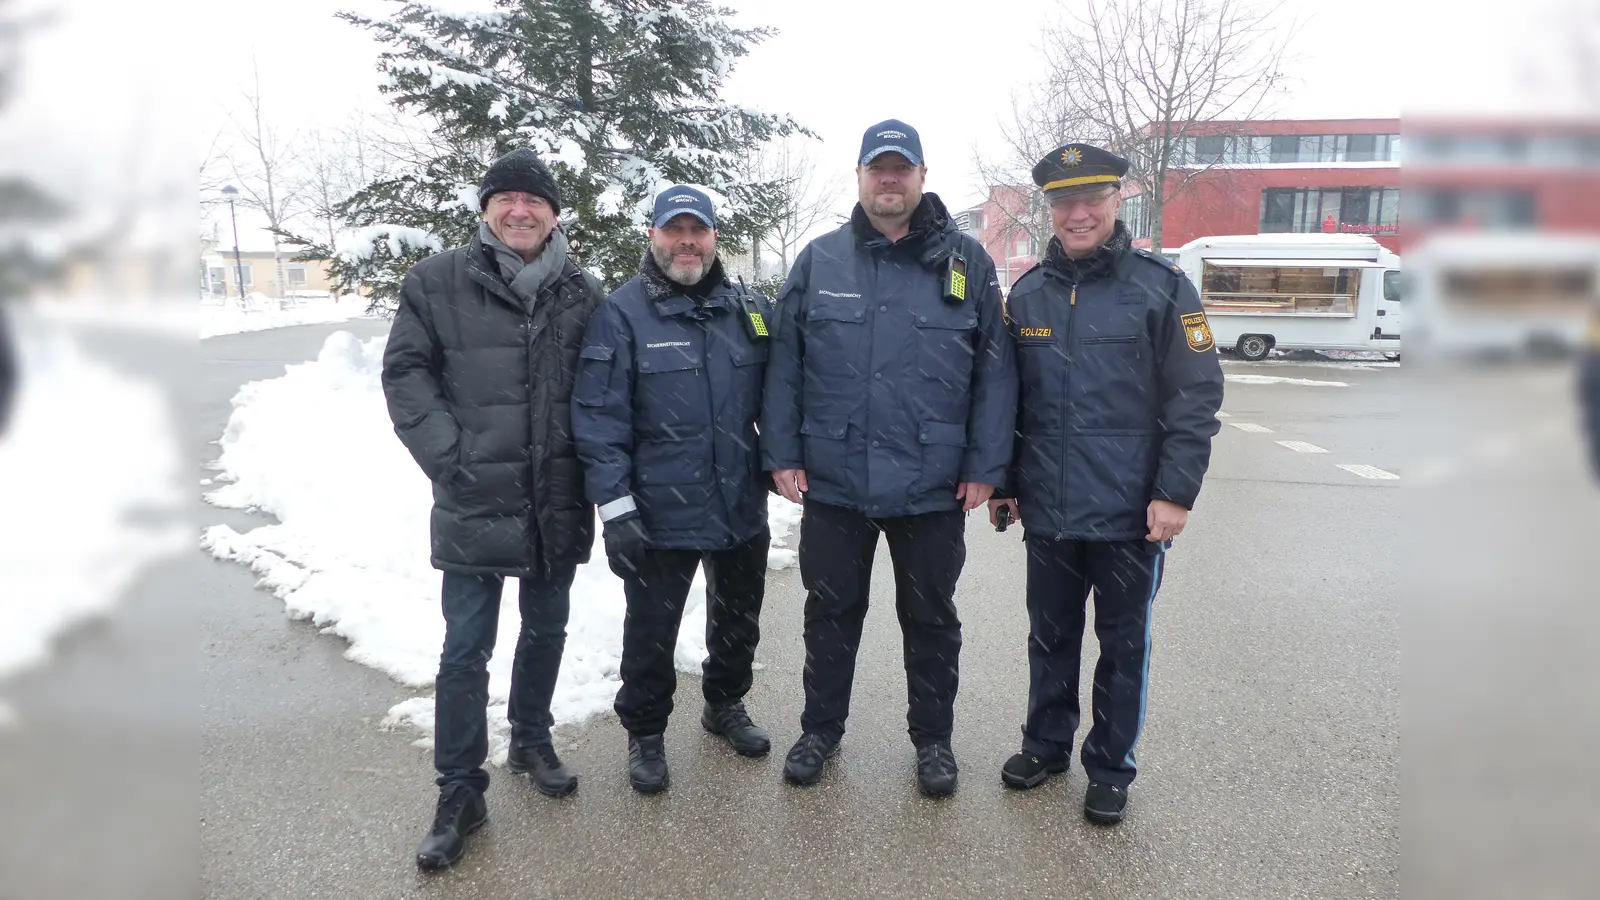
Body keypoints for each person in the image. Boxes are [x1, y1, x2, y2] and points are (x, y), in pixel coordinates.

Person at [761, 119, 1017, 797]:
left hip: (933, 485)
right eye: (879, 168)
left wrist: (986, 465)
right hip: (837, 479)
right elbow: (785, 363)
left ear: (923, 178)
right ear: (860, 177)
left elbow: (995, 374)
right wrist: (781, 452)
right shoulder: (820, 259)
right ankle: (820, 729)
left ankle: (932, 741)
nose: (890, 179)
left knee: (932, 617)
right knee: (830, 612)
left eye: (902, 169)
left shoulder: (967, 263)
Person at [381, 148, 606, 869]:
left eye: (533, 200)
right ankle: (458, 788)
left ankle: (532, 738)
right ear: (485, 209)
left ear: (554, 213)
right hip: (475, 496)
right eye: (504, 198)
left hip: (556, 497)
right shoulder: (437, 282)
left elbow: (604, 389)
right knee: (465, 648)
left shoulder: (583, 291)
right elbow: (406, 373)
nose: (519, 210)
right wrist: (452, 459)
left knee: (545, 628)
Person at [988, 142, 1224, 825]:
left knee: (1123, 647)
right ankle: (1046, 746)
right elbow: (1012, 402)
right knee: (1049, 638)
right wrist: (1006, 483)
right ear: (1050, 211)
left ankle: (1111, 766)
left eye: (1092, 199)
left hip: (1131, 514)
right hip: (1051, 513)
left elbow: (1195, 395)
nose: (1079, 213)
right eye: (1065, 202)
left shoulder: (1164, 287)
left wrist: (1176, 492)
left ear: (1119, 201)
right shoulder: (1028, 293)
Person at [572, 186, 774, 794]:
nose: (687, 241)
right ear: (653, 236)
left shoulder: (749, 310)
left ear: (715, 239)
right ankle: (646, 732)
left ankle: (725, 704)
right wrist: (616, 508)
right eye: (674, 230)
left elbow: (784, 395)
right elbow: (598, 419)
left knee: (738, 618)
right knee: (651, 631)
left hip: (739, 498)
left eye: (699, 230)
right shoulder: (621, 314)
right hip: (659, 510)